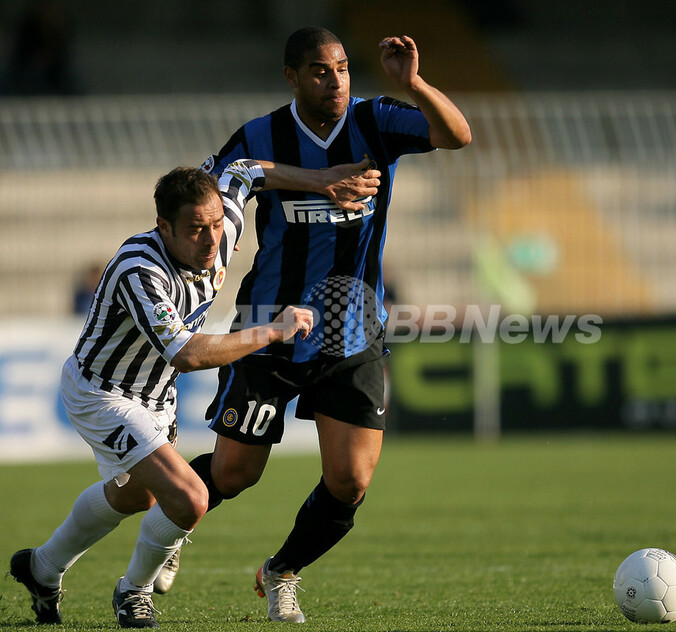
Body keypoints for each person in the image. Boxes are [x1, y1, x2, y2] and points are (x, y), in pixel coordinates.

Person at [9, 158, 380, 628]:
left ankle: (41, 568)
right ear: (164, 226)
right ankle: (133, 594)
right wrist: (273, 331)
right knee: (189, 498)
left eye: (215, 224)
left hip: (156, 393)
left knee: (136, 498)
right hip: (103, 393)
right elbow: (186, 354)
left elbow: (246, 170)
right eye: (194, 230)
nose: (211, 240)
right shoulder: (138, 268)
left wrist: (323, 181)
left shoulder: (219, 222)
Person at [186, 27, 471, 623]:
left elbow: (457, 136)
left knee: (350, 481)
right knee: (235, 473)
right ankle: (168, 533)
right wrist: (314, 180)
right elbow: (220, 186)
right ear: (292, 77)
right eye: (320, 70)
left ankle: (282, 570)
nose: (335, 80)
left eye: (342, 67)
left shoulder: (377, 121)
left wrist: (413, 83)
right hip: (271, 326)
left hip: (353, 331)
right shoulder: (262, 134)